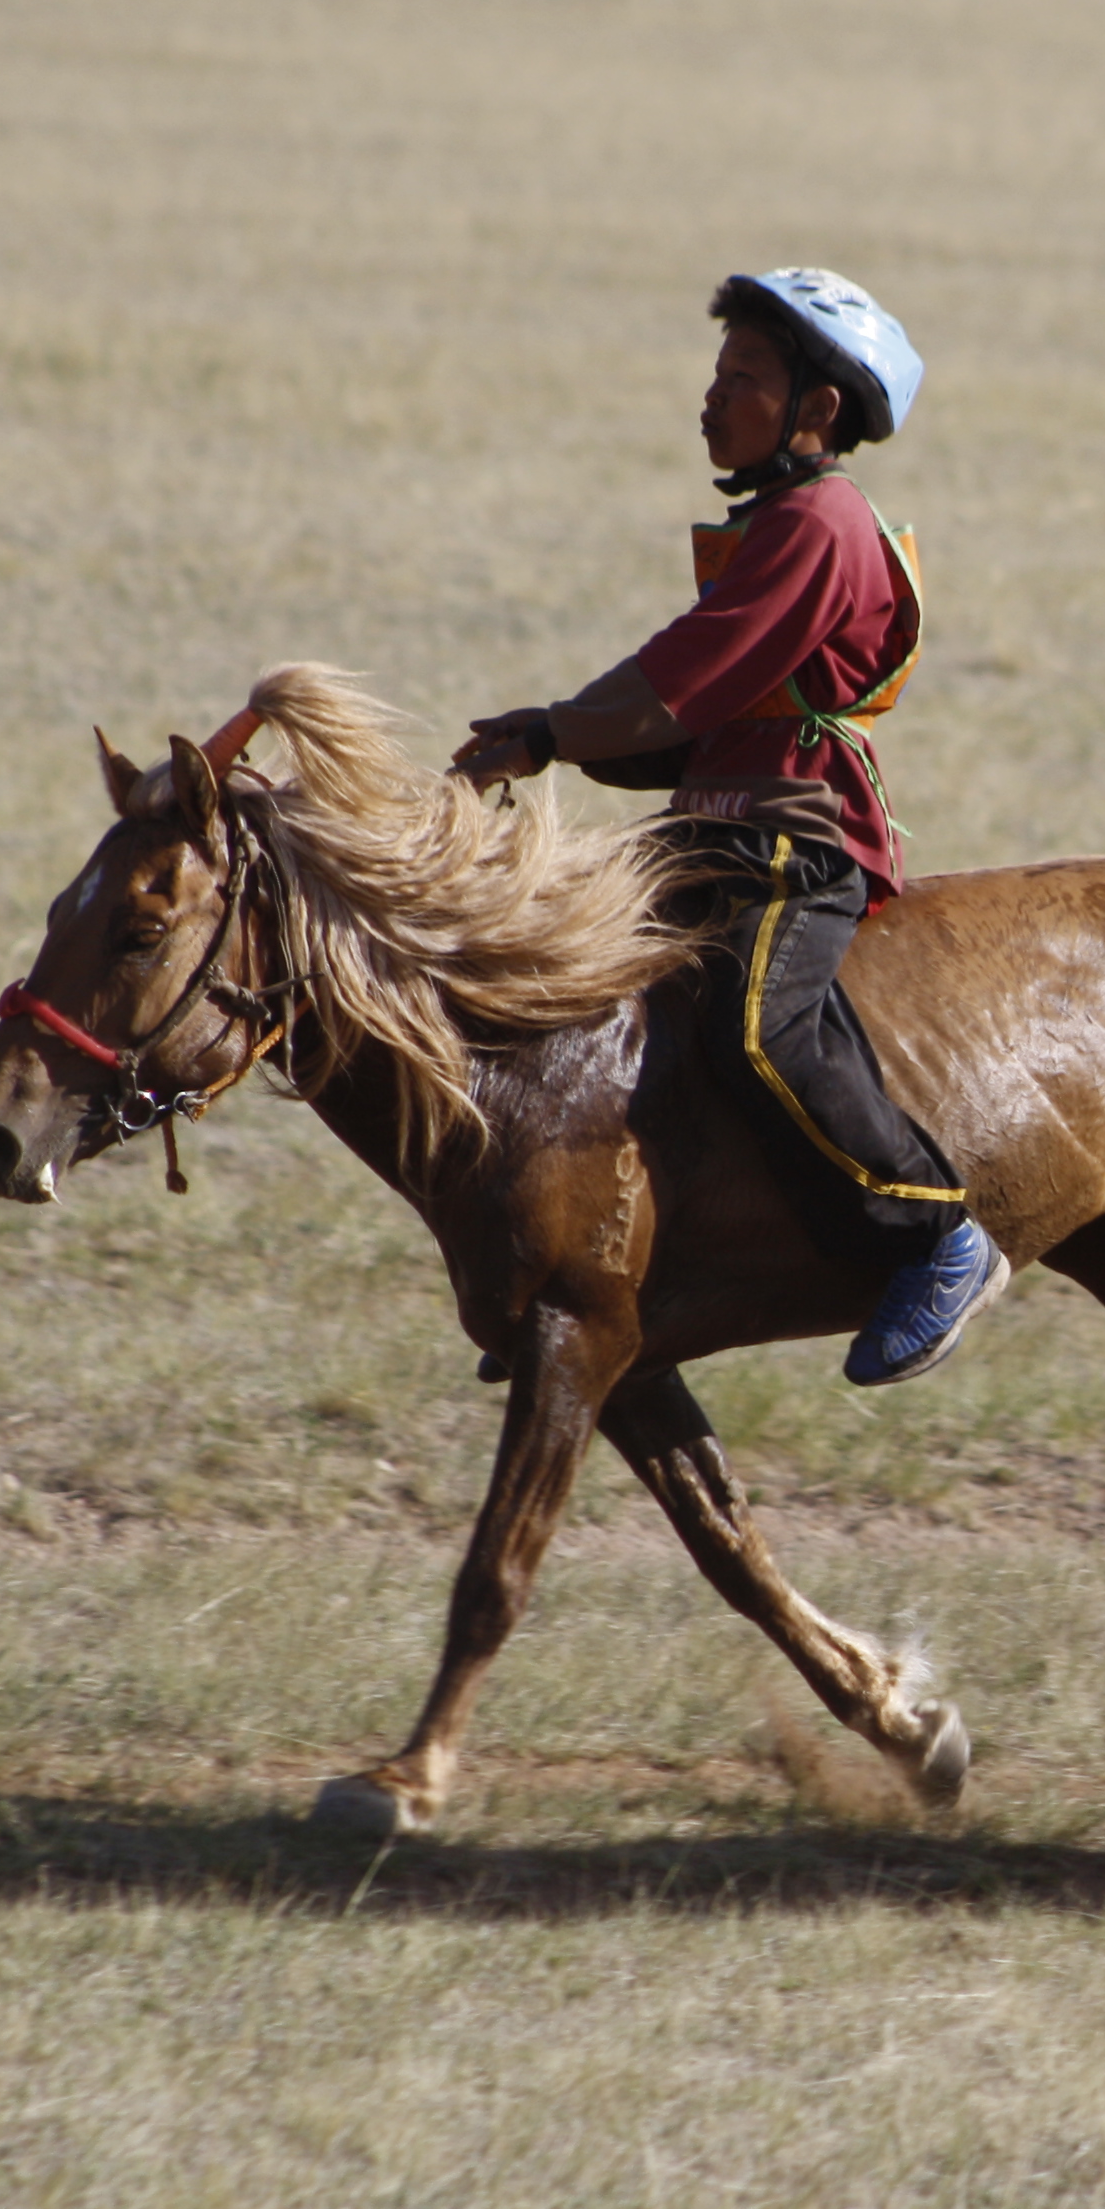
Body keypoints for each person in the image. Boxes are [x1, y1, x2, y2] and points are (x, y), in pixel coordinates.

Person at [451, 269, 1008, 1387]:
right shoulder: (775, 526)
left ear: (820, 409)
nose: (713, 399)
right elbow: (680, 707)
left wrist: (560, 730)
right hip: (711, 828)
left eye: (743, 378)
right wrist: (552, 734)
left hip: (797, 839)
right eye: (716, 375)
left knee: (762, 1031)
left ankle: (937, 1230)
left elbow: (684, 679)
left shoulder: (821, 522)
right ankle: (595, 1269)